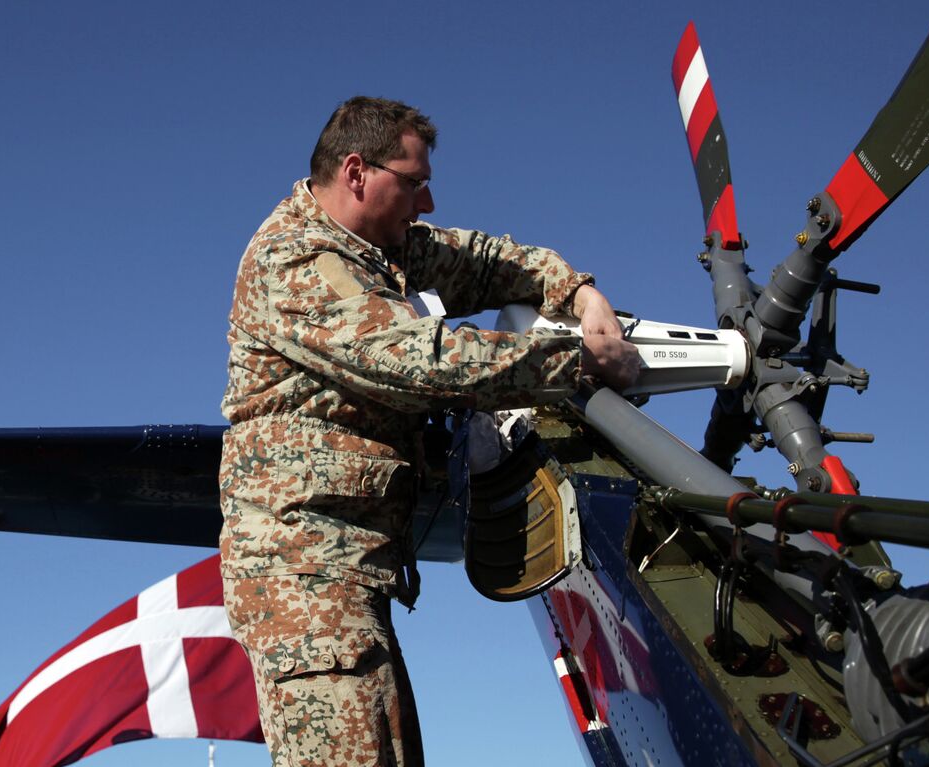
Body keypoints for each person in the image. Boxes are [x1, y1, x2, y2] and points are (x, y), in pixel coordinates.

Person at [218, 97, 640, 765]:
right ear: (358, 173)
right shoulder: (293, 260)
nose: (429, 202)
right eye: (414, 182)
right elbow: (421, 361)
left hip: (350, 581)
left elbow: (482, 261)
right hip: (306, 584)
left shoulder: (383, 248)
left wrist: (579, 292)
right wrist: (579, 363)